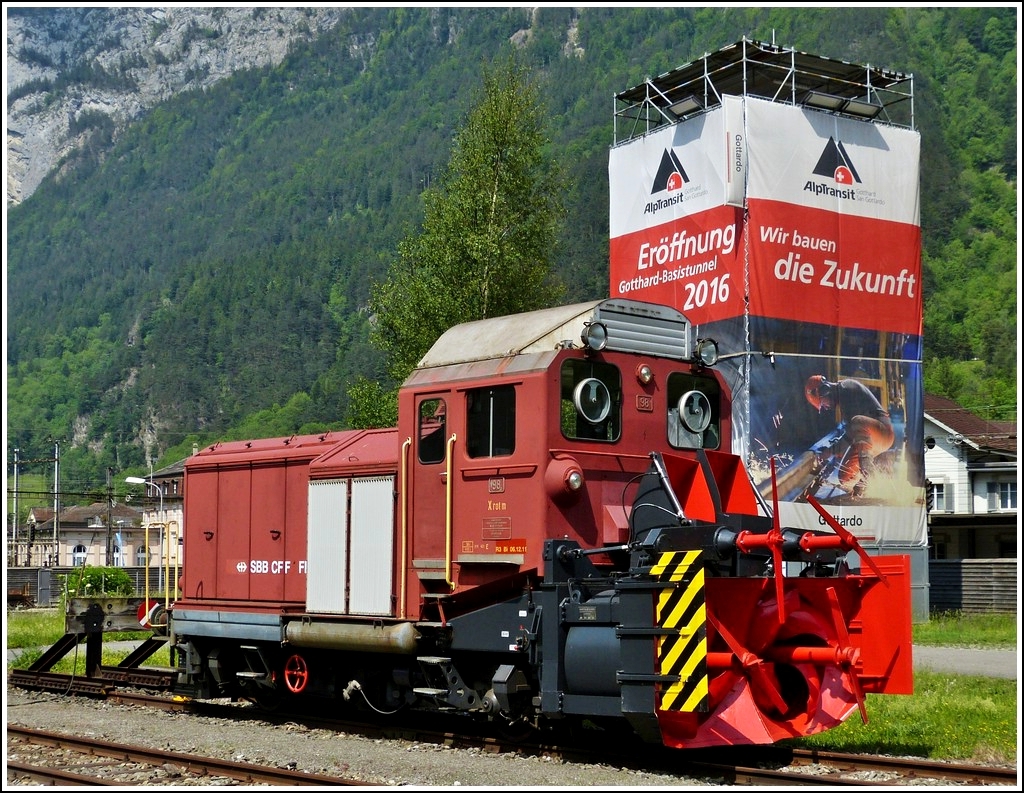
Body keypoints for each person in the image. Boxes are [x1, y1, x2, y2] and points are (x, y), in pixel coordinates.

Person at [804, 375, 895, 496]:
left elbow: (851, 433)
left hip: (883, 432)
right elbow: (851, 435)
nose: (825, 407)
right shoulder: (843, 396)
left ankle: (871, 479)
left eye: (822, 403)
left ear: (824, 390)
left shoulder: (847, 388)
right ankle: (865, 484)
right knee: (845, 477)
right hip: (870, 437)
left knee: (858, 421)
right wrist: (831, 451)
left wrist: (830, 451)